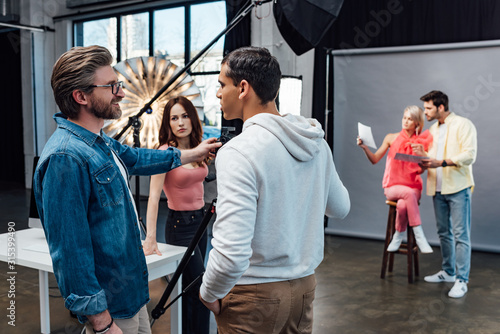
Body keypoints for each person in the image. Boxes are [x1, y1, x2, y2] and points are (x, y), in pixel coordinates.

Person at [33, 45, 220, 334]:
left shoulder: (99, 141)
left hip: (131, 297)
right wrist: (102, 323)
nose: (120, 92)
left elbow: (138, 158)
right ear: (81, 96)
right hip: (111, 309)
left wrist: (192, 154)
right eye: (111, 86)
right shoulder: (65, 158)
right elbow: (71, 252)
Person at [198, 46, 350, 333]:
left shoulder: (240, 151)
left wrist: (208, 293)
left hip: (252, 294)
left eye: (221, 84)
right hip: (304, 287)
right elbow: (340, 208)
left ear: (243, 88)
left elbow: (231, 251)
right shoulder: (315, 142)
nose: (218, 93)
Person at [143, 96, 210, 334]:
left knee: (191, 288)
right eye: (174, 118)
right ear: (167, 123)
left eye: (184, 115)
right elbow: (152, 197)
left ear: (192, 118)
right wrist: (151, 237)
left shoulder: (197, 148)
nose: (180, 122)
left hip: (202, 222)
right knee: (199, 286)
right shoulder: (165, 153)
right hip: (180, 226)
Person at [415, 90, 477, 299]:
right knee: (444, 233)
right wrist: (421, 158)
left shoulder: (463, 124)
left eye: (429, 108)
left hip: (458, 188)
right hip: (437, 188)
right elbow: (431, 159)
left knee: (461, 235)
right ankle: (448, 272)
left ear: (441, 107)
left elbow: (469, 155)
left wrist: (440, 162)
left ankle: (462, 280)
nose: (425, 113)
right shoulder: (432, 130)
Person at [357, 106, 433, 253]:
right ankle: (420, 236)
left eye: (410, 119)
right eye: (404, 117)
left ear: (417, 123)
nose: (405, 121)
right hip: (393, 186)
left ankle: (398, 235)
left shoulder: (421, 143)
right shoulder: (391, 137)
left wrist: (422, 158)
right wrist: (365, 148)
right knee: (407, 194)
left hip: (413, 187)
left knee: (403, 205)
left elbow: (423, 169)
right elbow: (374, 159)